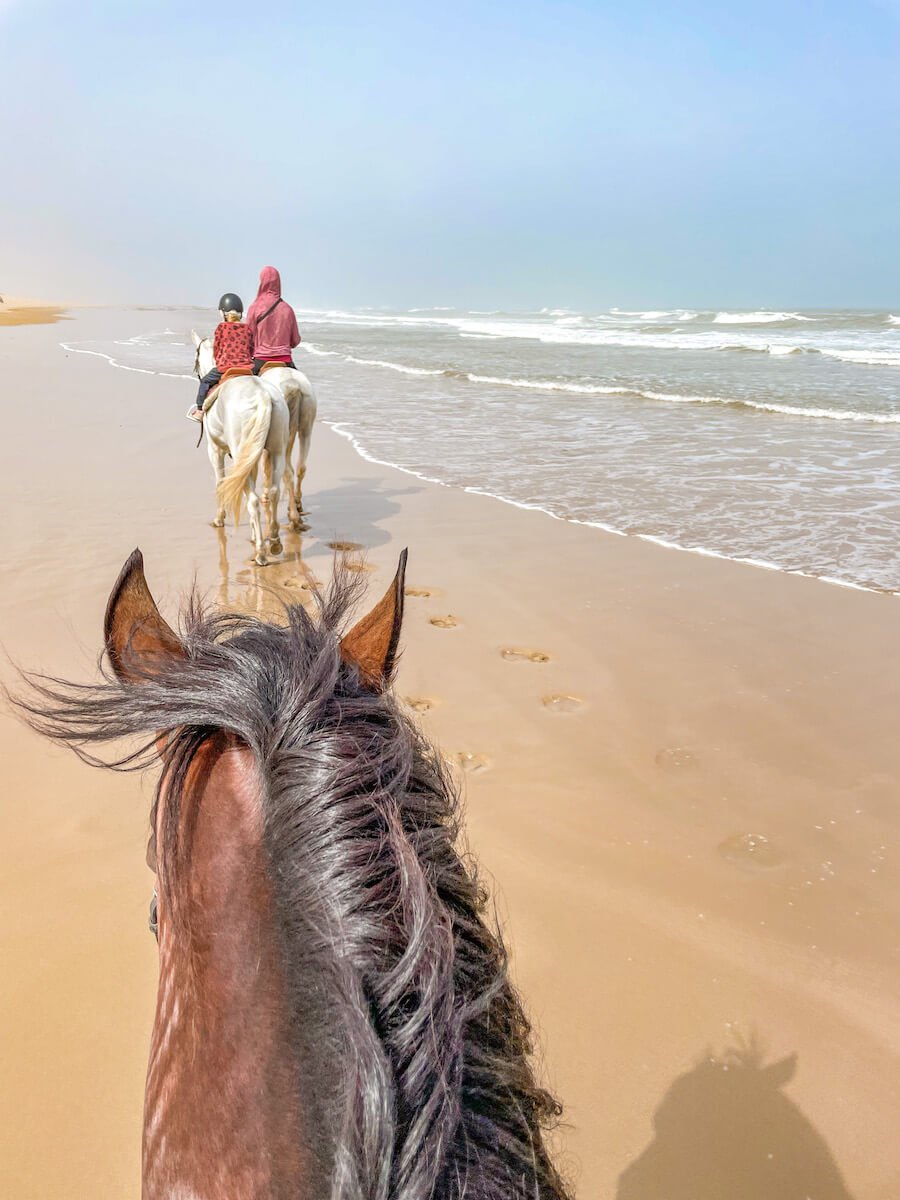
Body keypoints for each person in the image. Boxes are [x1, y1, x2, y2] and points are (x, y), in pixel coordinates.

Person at [187, 292, 253, 422]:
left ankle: (199, 410)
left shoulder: (221, 328)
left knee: (205, 381)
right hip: (247, 368)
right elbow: (251, 349)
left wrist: (220, 361)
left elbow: (217, 350)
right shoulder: (247, 328)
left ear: (223, 313)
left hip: (226, 367)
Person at [246, 266, 301, 372]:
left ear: (262, 282)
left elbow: (248, 338)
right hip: (286, 361)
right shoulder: (288, 309)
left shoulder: (255, 307)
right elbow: (295, 341)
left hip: (261, 360)